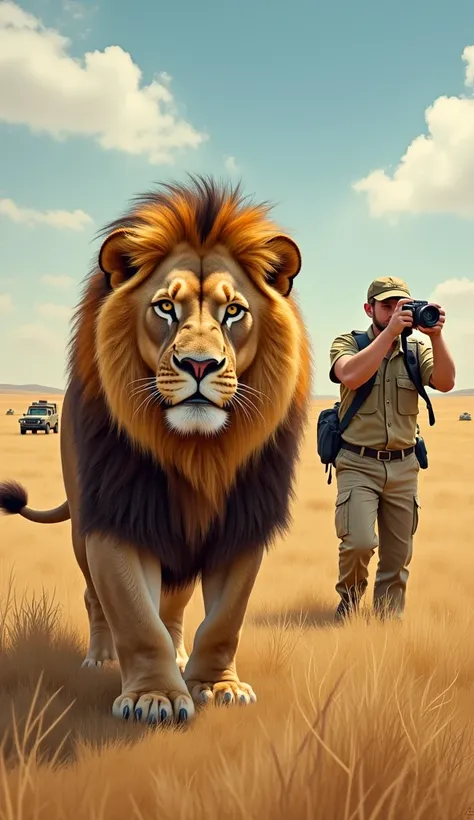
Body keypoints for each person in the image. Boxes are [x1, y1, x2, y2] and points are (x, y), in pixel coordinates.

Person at [329, 276, 455, 622]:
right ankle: (350, 603)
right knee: (358, 543)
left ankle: (387, 622)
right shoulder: (349, 342)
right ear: (369, 309)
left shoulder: (416, 351)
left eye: (403, 306)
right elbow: (350, 376)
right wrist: (388, 335)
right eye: (387, 306)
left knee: (398, 556)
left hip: (403, 466)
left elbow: (446, 382)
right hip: (358, 463)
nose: (396, 312)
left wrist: (437, 336)